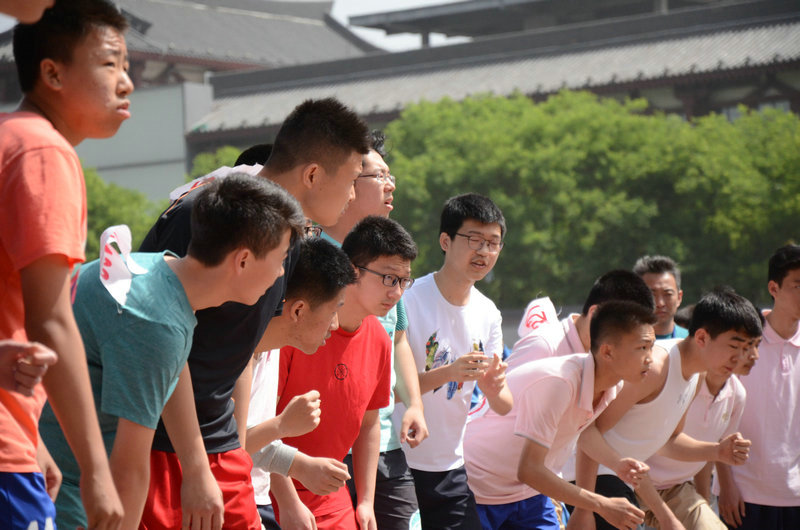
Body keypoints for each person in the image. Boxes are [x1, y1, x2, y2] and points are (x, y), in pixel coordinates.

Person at [138, 97, 369, 528]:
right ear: (313, 175)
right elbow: (158, 341)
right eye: (353, 180)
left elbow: (243, 349)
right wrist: (196, 465)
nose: (353, 195)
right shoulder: (208, 215)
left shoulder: (289, 235)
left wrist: (237, 450)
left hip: (218, 446)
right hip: (161, 447)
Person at [39, 175, 303, 528]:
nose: (282, 272)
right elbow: (130, 470)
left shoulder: (157, 272)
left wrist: (196, 468)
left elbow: (174, 366)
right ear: (242, 260)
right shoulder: (155, 322)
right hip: (62, 489)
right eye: (281, 258)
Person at [0, 1, 133, 526]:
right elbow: (50, 320)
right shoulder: (43, 152)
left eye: (127, 66)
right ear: (52, 73)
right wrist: (96, 472)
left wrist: (33, 439)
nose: (126, 82)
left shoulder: (10, 138)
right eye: (109, 63)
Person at [571, 288, 762, 530]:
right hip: (586, 479)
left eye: (747, 347)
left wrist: (716, 451)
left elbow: (668, 442)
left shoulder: (696, 375)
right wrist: (584, 508)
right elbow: (586, 431)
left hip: (625, 479)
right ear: (702, 337)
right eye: (734, 346)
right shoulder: (654, 368)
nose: (741, 357)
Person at [274, 216, 418, 529]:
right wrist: (288, 502)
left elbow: (369, 423)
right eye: (389, 278)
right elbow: (259, 424)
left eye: (404, 281)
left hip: (332, 496)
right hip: (273, 491)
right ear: (353, 270)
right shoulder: (297, 326)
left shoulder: (379, 338)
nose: (397, 293)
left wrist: (365, 502)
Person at [465, 301, 659, 530]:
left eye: (651, 347)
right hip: (479, 487)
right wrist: (601, 505)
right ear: (607, 351)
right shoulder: (560, 382)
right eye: (642, 347)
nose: (650, 358)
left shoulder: (612, 385)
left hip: (528, 493)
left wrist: (616, 463)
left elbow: (582, 431)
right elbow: (529, 470)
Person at [319, 130, 427, 530]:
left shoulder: (390, 263)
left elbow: (398, 339)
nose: (390, 185)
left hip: (383, 443)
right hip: (325, 446)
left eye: (390, 176)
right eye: (379, 176)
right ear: (348, 181)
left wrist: (413, 404)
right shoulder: (310, 258)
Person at [398, 193, 513, 529]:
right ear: (445, 241)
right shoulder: (407, 300)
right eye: (474, 239)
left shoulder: (488, 313)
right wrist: (448, 373)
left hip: (451, 469)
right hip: (399, 463)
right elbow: (386, 390)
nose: (484, 251)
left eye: (493, 243)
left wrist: (493, 387)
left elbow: (504, 405)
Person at [245, 237, 357, 529]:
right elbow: (224, 446)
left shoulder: (272, 348)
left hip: (253, 496)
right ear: (298, 310)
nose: (335, 325)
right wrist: (281, 427)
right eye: (333, 311)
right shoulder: (237, 354)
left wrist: (299, 465)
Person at [644, 296, 762, 529]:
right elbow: (650, 445)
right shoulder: (662, 367)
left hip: (676, 489)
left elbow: (697, 451)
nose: (749, 356)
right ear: (702, 338)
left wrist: (704, 503)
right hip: (627, 480)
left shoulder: (734, 393)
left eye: (752, 346)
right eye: (735, 346)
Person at [718, 245, 800, 529]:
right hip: (744, 495)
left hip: (795, 495)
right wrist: (725, 484)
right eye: (798, 286)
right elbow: (720, 417)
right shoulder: (744, 343)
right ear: (773, 288)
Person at [506, 270, 657, 372]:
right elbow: (500, 403)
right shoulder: (544, 346)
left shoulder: (614, 363)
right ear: (595, 314)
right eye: (624, 329)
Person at [633, 255, 689, 340]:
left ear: (679, 297)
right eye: (652, 295)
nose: (660, 303)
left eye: (668, 294)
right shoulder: (623, 343)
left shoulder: (692, 342)